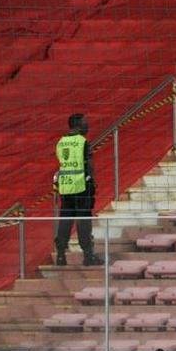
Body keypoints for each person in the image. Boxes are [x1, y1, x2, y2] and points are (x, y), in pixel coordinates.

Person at [54, 113, 100, 267]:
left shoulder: (61, 142)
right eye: (85, 123)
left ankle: (60, 255)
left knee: (65, 221)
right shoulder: (83, 142)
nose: (87, 126)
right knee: (84, 221)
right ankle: (88, 255)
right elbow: (89, 164)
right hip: (81, 186)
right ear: (78, 125)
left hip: (65, 186)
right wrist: (92, 180)